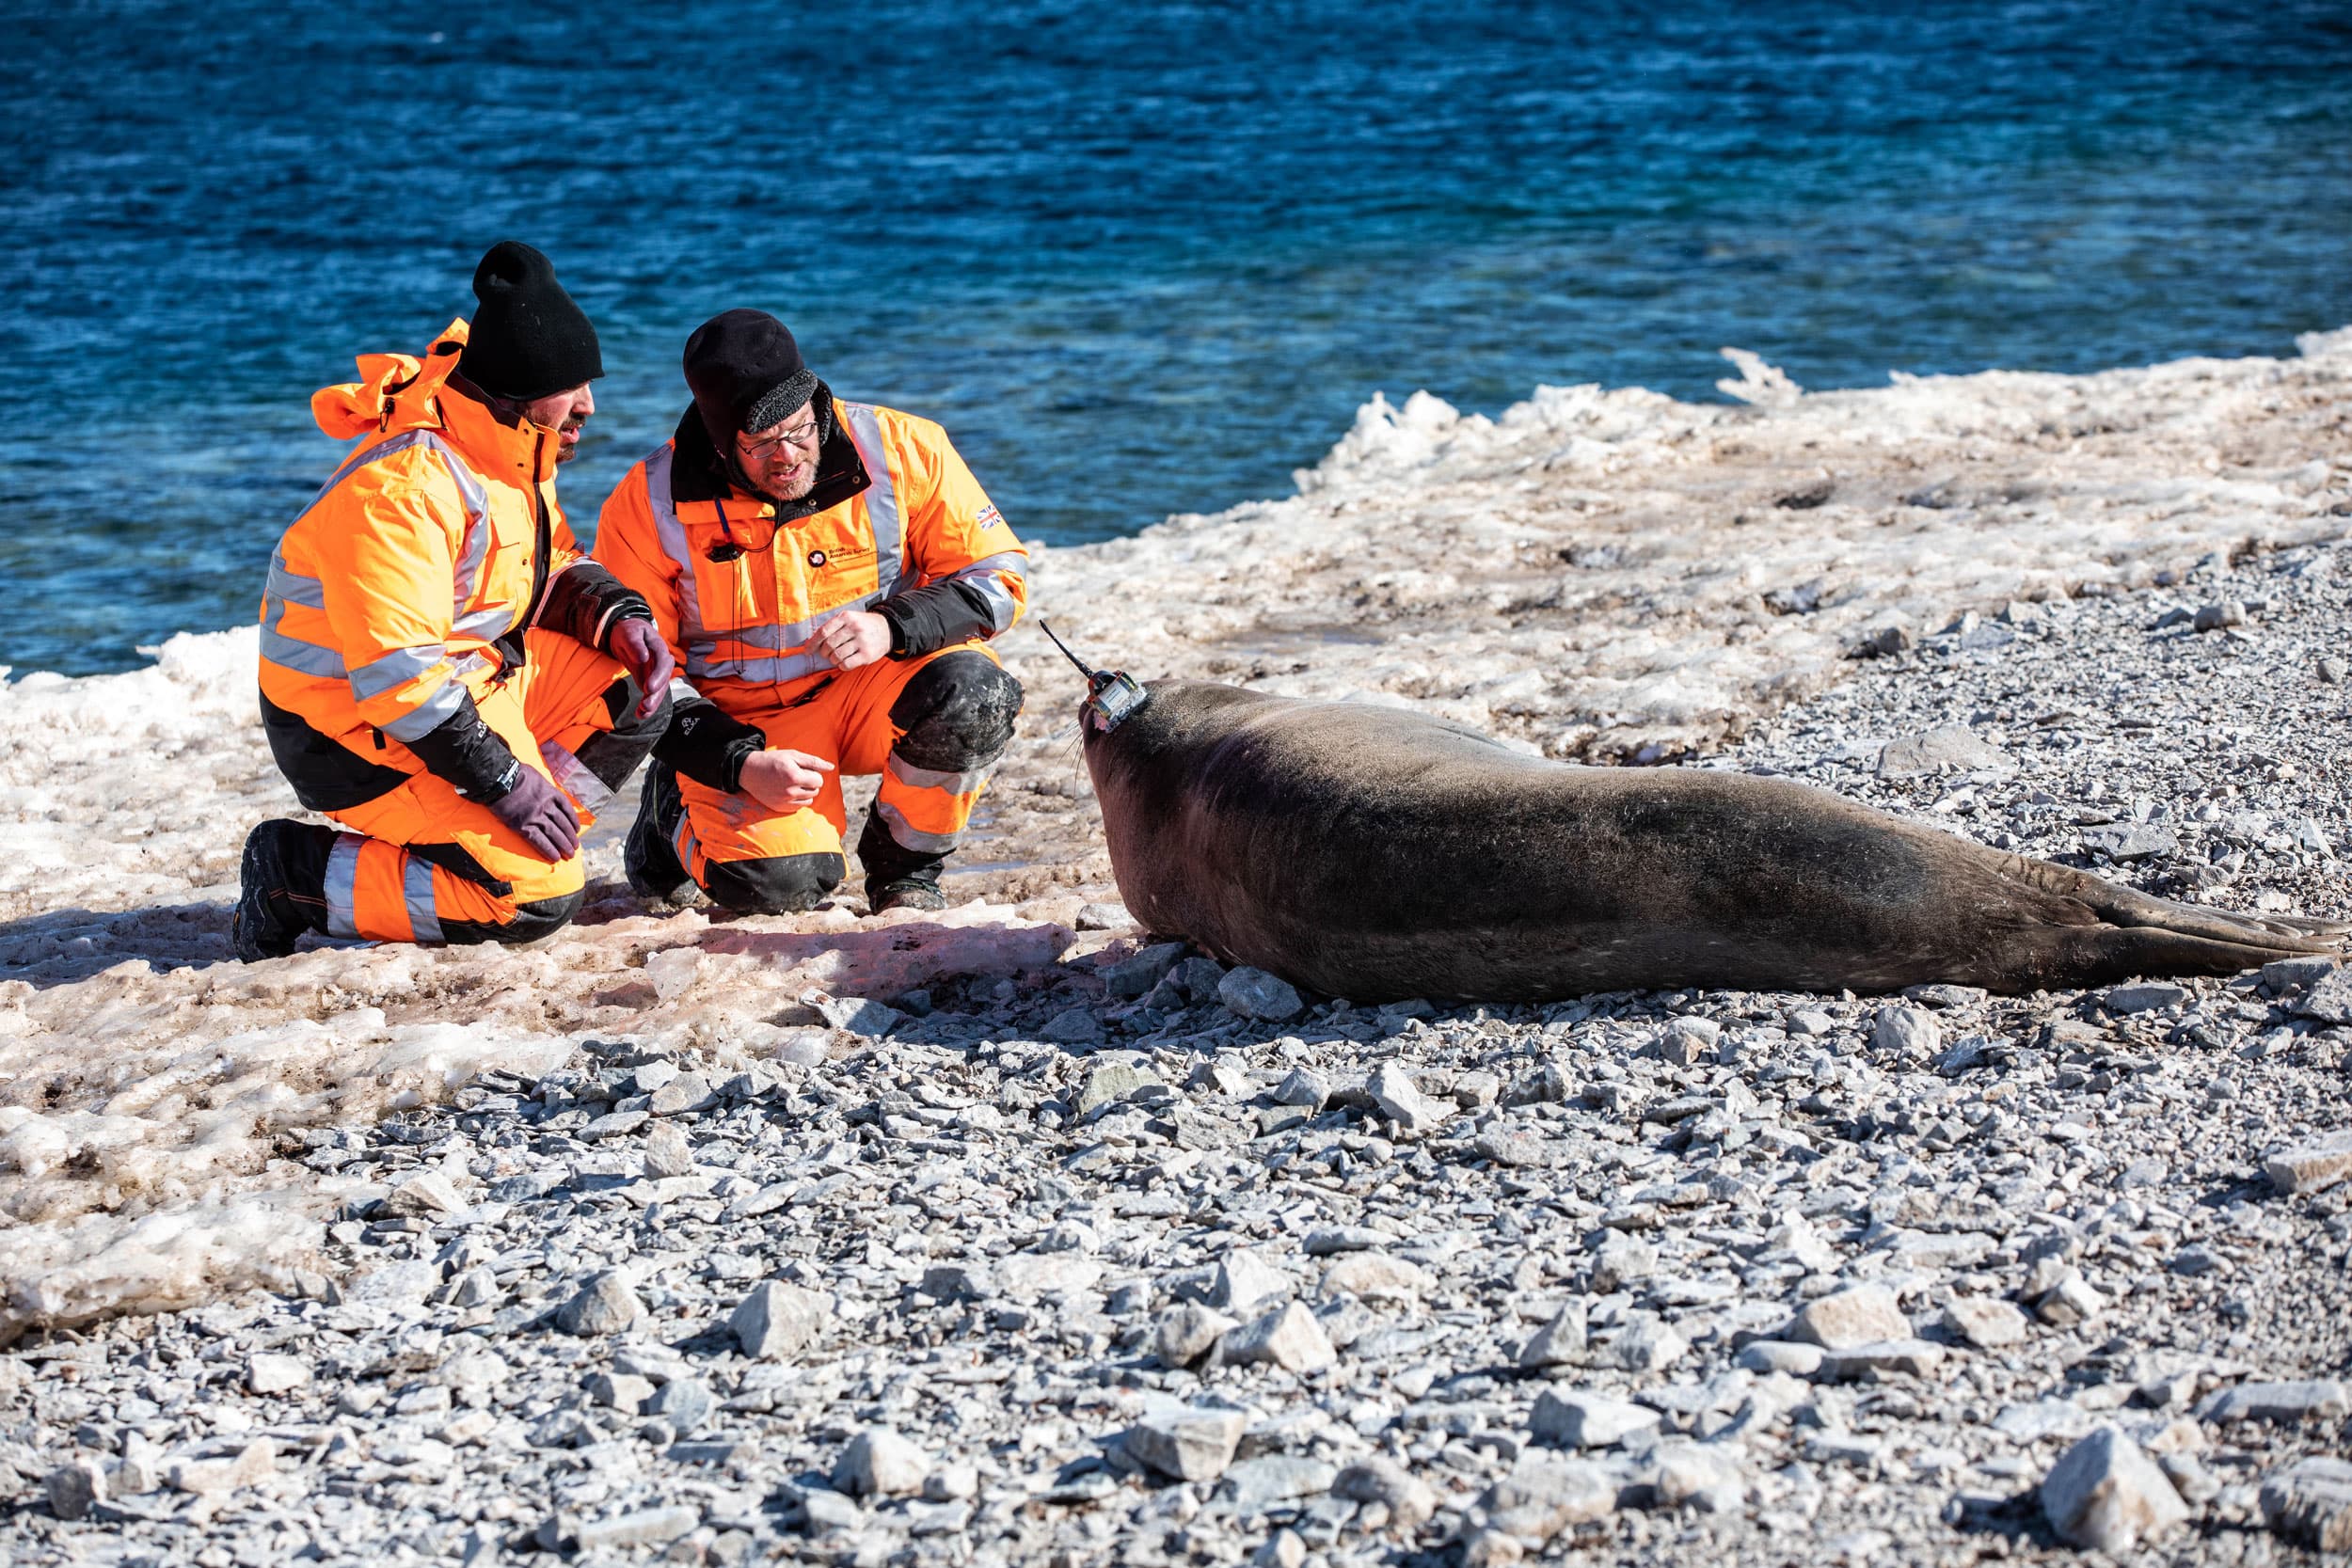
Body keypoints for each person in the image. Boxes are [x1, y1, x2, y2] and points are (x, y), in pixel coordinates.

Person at [232, 242, 675, 959]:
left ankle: (504, 839)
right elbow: (400, 684)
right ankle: (294, 876)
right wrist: (506, 784)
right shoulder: (404, 491)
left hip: (465, 683)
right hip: (349, 730)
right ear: (516, 390)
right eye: (572, 386)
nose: (588, 406)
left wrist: (617, 617)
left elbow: (549, 565)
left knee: (642, 690)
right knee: (534, 902)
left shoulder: (513, 450)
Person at [595, 309, 1027, 915]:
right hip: (745, 728)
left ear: (815, 403)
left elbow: (999, 580)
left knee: (974, 691)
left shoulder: (905, 448)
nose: (789, 456)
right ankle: (672, 810)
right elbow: (632, 676)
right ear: (720, 443)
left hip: (869, 694)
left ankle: (905, 873)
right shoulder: (644, 504)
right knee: (776, 889)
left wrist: (892, 626)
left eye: (799, 429)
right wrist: (735, 762)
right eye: (762, 444)